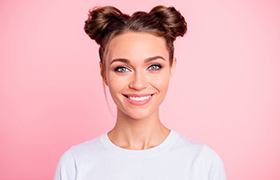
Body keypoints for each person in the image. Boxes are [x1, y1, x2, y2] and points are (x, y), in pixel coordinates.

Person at [54, 5, 226, 180]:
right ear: (103, 72)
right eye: (122, 68)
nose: (138, 84)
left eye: (154, 67)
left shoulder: (203, 164)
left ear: (172, 67)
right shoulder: (75, 164)